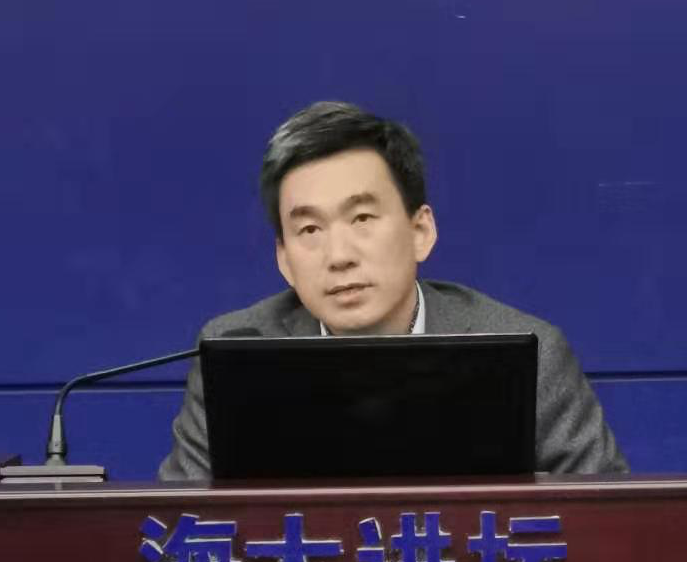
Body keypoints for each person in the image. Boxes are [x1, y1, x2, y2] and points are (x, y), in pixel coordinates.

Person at [159, 102, 627, 479]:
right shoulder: (234, 350)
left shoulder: (530, 349)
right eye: (309, 230)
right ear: (284, 259)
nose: (338, 255)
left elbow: (609, 524)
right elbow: (179, 529)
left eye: (362, 218)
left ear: (420, 231)